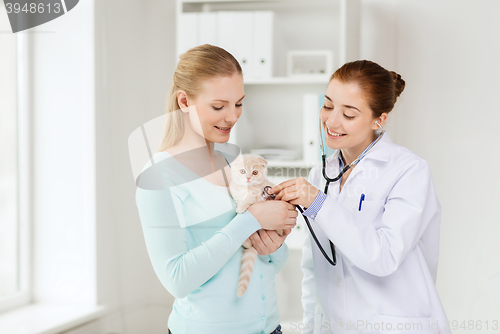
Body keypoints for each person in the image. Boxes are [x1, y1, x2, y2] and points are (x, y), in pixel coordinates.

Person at [270, 60, 451, 334]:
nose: (331, 121)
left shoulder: (409, 171)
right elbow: (314, 266)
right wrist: (311, 328)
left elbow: (384, 257)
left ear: (379, 119)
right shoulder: (321, 175)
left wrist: (319, 203)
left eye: (349, 114)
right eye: (328, 105)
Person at [135, 44, 297, 334]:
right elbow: (177, 279)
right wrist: (253, 219)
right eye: (219, 106)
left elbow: (271, 264)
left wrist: (275, 243)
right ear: (184, 101)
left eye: (239, 103)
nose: (232, 117)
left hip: (270, 327)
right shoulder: (160, 176)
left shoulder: (233, 163)